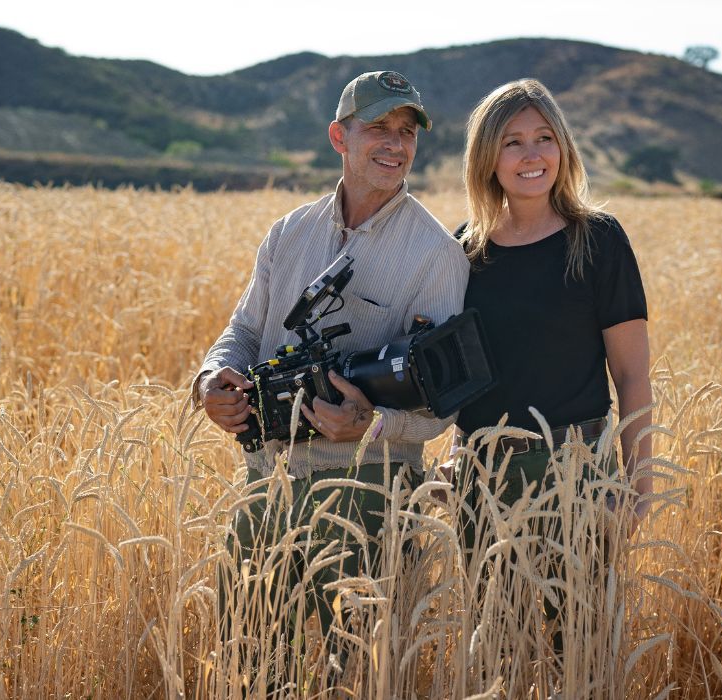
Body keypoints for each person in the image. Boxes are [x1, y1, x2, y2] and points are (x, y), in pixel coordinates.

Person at [196, 70, 468, 681]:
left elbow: (441, 408)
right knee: (250, 663)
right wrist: (213, 381)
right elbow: (242, 331)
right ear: (338, 137)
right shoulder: (288, 233)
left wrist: (371, 421)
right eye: (378, 128)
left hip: (371, 495)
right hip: (268, 485)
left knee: (362, 676)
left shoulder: (436, 254)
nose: (395, 143)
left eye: (406, 131)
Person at [453, 78, 654, 646]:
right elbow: (458, 374)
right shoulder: (465, 250)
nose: (532, 154)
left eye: (544, 137)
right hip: (483, 476)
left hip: (579, 473)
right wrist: (455, 455)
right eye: (512, 141)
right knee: (497, 652)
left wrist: (637, 488)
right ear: (487, 156)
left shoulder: (598, 240)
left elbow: (633, 374)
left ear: (563, 147)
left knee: (583, 650)